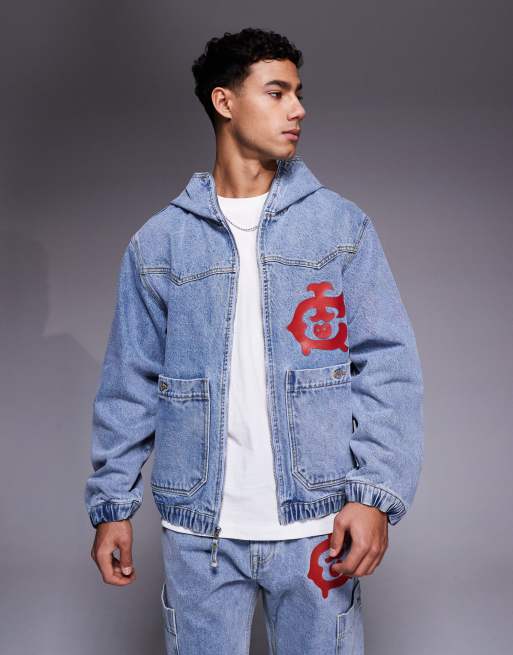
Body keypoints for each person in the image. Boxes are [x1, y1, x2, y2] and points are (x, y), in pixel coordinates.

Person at [84, 27, 424, 655]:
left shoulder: (339, 227)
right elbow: (129, 383)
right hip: (200, 535)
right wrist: (113, 506)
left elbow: (388, 366)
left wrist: (376, 496)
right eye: (277, 92)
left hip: (319, 527)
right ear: (225, 101)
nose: (298, 109)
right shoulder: (159, 243)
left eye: (298, 93)